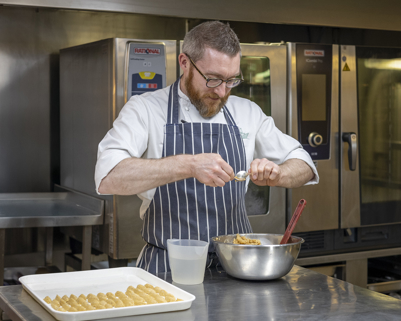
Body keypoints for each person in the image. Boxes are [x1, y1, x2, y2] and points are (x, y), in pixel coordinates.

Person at [95, 21, 319, 274]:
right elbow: (108, 177)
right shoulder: (145, 109)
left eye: (231, 80)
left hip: (238, 266)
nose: (222, 91)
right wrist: (188, 165)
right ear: (184, 63)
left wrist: (279, 173)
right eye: (212, 80)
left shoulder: (247, 112)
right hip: (168, 267)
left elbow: (305, 164)